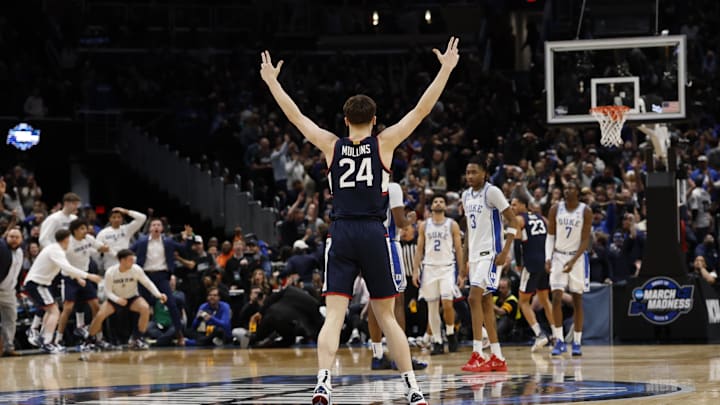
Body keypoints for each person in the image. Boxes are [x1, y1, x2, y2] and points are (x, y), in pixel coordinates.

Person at [260, 36, 459, 405]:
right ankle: (413, 390)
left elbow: (295, 116)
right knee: (386, 316)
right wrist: (446, 68)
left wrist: (272, 81)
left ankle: (323, 384)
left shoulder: (330, 144)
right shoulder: (384, 143)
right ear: (375, 119)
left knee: (334, 315)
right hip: (372, 232)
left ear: (346, 119)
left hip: (341, 232)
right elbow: (421, 110)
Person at [459, 155, 519, 372]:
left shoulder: (492, 192)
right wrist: (464, 263)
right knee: (484, 304)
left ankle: (477, 353)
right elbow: (468, 232)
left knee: (473, 298)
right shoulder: (465, 196)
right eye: (468, 172)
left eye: (474, 172)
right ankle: (497, 356)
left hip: (491, 255)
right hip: (474, 256)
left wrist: (505, 251)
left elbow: (514, 220)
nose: (470, 176)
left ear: (485, 172)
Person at [368, 182, 426, 370]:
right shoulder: (391, 187)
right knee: (397, 300)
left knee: (374, 300)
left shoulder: (365, 184)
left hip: (367, 244)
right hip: (388, 243)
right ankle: (400, 357)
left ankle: (377, 355)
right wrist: (410, 218)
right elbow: (400, 222)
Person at [23, 229, 103, 353]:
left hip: (40, 284)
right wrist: (89, 276)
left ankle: (44, 338)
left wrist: (78, 278)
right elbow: (68, 268)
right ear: (66, 239)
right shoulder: (56, 250)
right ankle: (46, 341)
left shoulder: (55, 249)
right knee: (54, 311)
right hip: (36, 283)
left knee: (52, 310)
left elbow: (67, 268)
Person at [84, 249, 167, 350]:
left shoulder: (136, 269)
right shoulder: (111, 272)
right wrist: (117, 299)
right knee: (100, 315)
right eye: (130, 260)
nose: (133, 262)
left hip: (132, 298)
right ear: (122, 261)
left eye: (133, 259)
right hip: (115, 299)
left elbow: (147, 283)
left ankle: (137, 339)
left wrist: (158, 294)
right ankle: (89, 340)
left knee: (145, 308)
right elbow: (107, 291)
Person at [412, 194, 463, 355]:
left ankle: (449, 332)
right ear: (431, 206)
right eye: (436, 201)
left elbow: (459, 249)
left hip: (447, 267)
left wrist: (462, 272)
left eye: (441, 201)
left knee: (448, 304)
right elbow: (419, 249)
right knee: (432, 308)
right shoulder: (424, 226)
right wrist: (415, 270)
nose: (438, 203)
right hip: (429, 269)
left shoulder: (452, 224)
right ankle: (437, 341)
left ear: (446, 207)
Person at [545, 180, 592, 356]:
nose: (567, 190)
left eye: (571, 187)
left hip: (577, 258)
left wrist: (572, 261)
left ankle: (577, 342)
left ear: (578, 192)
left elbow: (585, 240)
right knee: (556, 297)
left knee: (577, 300)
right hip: (558, 255)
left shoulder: (585, 211)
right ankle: (559, 341)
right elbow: (550, 236)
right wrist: (548, 258)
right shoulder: (555, 209)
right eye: (565, 187)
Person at [131, 219, 192, 346]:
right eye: (154, 225)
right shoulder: (142, 242)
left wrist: (189, 237)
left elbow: (184, 249)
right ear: (150, 228)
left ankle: (180, 335)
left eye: (159, 225)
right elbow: (129, 251)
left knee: (172, 304)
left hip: (162, 276)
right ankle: (137, 337)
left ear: (162, 228)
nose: (156, 227)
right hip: (145, 276)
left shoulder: (168, 241)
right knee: (142, 306)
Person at [55, 219, 112, 347]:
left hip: (85, 276)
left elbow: (101, 248)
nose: (85, 231)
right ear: (74, 231)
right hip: (70, 278)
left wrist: (108, 247)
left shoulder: (88, 238)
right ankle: (57, 340)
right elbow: (64, 265)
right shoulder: (68, 243)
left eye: (85, 228)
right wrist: (77, 277)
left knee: (96, 307)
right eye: (82, 228)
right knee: (68, 308)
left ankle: (99, 338)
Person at [511, 194, 554, 352]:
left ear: (524, 205)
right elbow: (551, 237)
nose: (512, 208)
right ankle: (557, 336)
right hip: (544, 263)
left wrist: (519, 264)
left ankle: (539, 334)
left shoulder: (519, 220)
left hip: (531, 263)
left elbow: (516, 243)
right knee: (544, 298)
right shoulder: (542, 218)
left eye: (514, 204)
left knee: (523, 302)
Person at [0, 227, 23, 356]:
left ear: (21, 239)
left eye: (17, 237)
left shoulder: (20, 252)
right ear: (6, 238)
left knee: (11, 319)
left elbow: (17, 273)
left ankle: (9, 347)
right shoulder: (2, 248)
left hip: (10, 292)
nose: (14, 240)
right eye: (11, 237)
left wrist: (18, 289)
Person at [492, 277, 520, 341]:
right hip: (497, 322)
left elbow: (501, 312)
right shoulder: (496, 298)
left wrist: (489, 304)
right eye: (499, 288)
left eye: (503, 288)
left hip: (511, 326)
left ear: (509, 288)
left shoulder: (512, 300)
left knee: (505, 319)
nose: (500, 290)